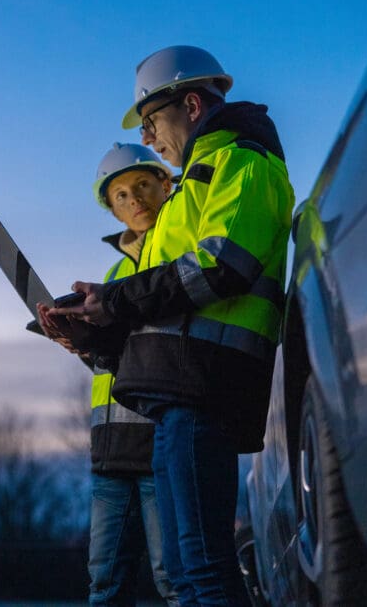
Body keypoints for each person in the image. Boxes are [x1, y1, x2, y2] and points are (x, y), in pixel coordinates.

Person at [47, 46, 294, 605]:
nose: (152, 139)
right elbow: (166, 306)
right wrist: (95, 334)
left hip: (204, 390)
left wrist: (116, 299)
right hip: (176, 397)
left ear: (190, 103)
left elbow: (221, 265)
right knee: (184, 575)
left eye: (153, 122)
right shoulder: (193, 187)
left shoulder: (244, 162)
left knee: (203, 570)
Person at [38, 143, 179, 607]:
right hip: (111, 452)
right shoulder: (115, 273)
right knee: (104, 585)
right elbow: (115, 359)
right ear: (112, 210)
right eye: (120, 195)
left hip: (165, 443)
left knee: (176, 580)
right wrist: (77, 340)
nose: (134, 199)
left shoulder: (180, 250)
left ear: (166, 183)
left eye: (141, 185)